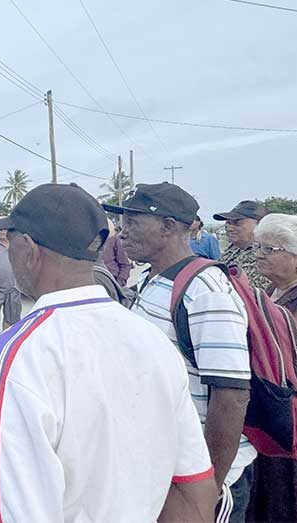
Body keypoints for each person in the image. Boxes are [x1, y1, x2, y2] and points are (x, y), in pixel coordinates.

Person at [0, 183, 217, 522]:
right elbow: (194, 487)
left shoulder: (20, 352)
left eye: (9, 241)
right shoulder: (152, 339)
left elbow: (12, 511)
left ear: (28, 249)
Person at [105, 182, 255, 523]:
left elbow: (231, 396)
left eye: (132, 223)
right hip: (169, 469)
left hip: (202, 479)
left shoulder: (205, 292)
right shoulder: (154, 280)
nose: (122, 234)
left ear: (168, 226)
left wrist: (207, 487)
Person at [247, 213, 297, 522]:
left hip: (293, 421)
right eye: (258, 247)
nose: (260, 256)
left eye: (270, 249)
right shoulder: (271, 294)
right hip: (272, 417)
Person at [214, 200, 271, 290]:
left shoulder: (267, 254)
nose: (229, 228)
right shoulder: (233, 249)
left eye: (237, 222)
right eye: (228, 222)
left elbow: (235, 287)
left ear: (259, 224)